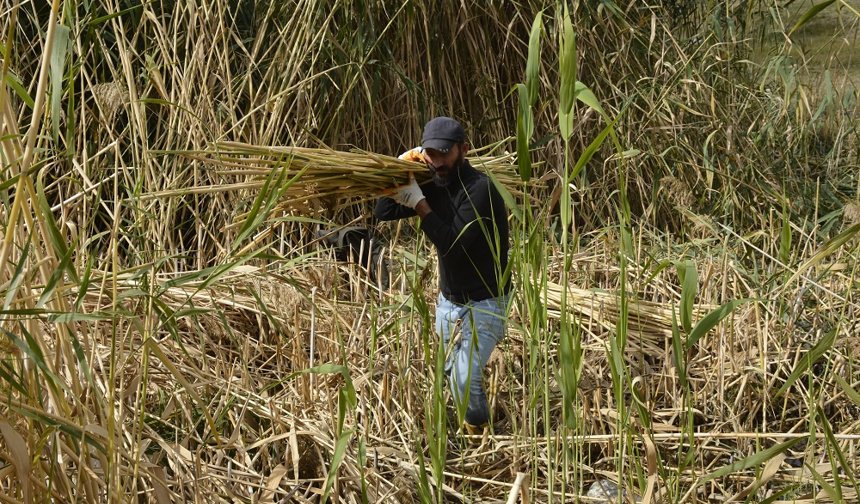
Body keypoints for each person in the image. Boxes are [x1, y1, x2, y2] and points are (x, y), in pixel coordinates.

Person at [375, 116, 511, 432]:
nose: (437, 162)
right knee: (453, 373)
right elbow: (383, 213)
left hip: (486, 299)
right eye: (430, 153)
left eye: (444, 153)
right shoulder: (432, 181)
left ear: (464, 149)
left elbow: (453, 244)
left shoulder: (481, 190)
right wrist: (397, 171)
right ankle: (476, 425)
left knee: (464, 378)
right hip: (450, 300)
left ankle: (480, 428)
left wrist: (420, 205)